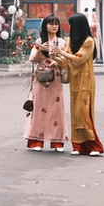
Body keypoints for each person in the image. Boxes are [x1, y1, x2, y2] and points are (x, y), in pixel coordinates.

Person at [53, 12, 103, 156]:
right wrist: (53, 56)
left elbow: (78, 59)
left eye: (72, 26)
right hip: (74, 82)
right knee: (75, 114)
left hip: (86, 82)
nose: (70, 28)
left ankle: (94, 146)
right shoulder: (71, 42)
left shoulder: (89, 41)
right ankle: (78, 146)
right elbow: (66, 62)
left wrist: (62, 53)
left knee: (83, 113)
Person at [23, 14, 68, 152]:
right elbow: (33, 60)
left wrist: (57, 60)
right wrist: (40, 49)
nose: (54, 26)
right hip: (41, 78)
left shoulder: (62, 42)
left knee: (56, 110)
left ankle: (57, 142)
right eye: (51, 23)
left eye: (56, 24)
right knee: (39, 109)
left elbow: (66, 60)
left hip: (55, 78)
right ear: (45, 26)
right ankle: (36, 141)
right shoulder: (39, 41)